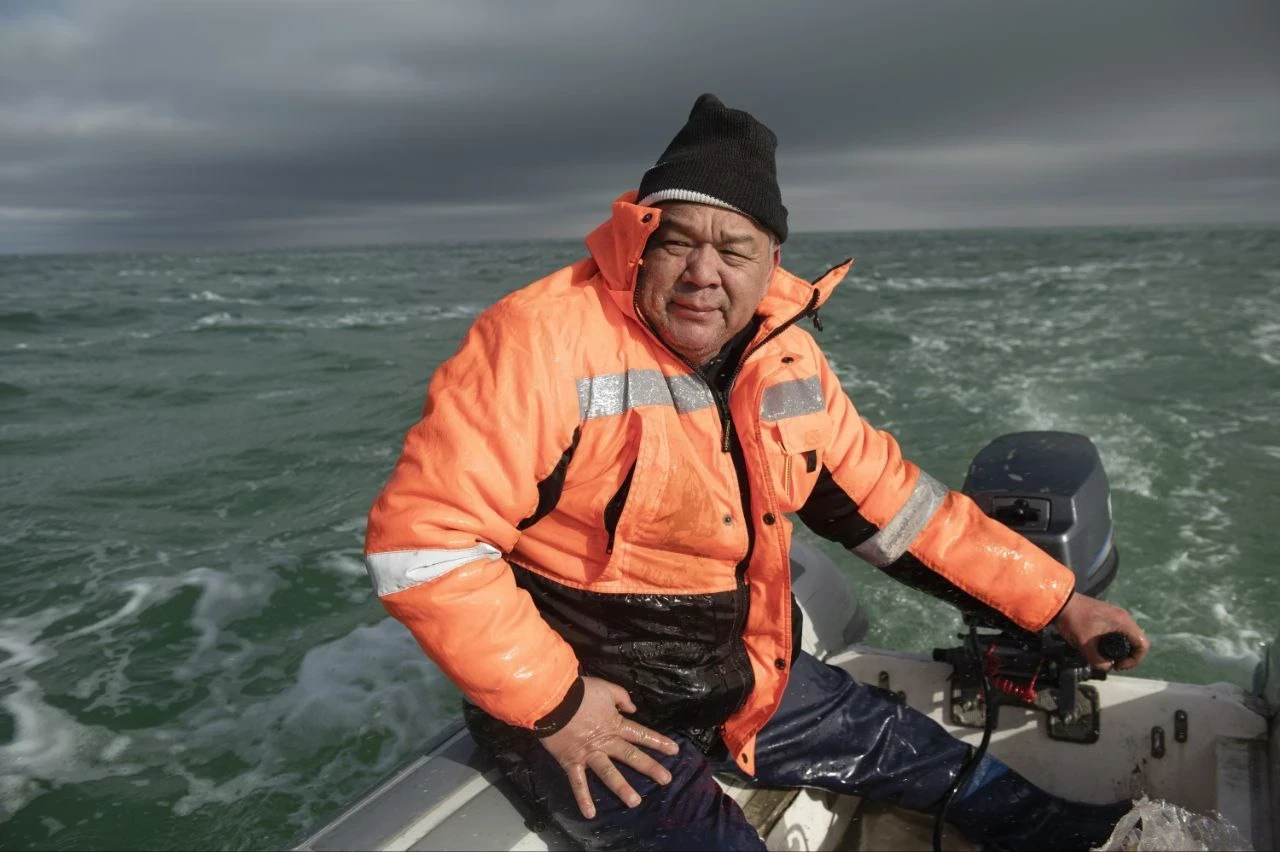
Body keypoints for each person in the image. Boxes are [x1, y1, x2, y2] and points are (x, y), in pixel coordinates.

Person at [363, 93, 1150, 851]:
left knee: (956, 773)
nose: (703, 272)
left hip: (740, 678)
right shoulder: (537, 339)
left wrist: (1057, 603)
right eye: (678, 242)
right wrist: (559, 706)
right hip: (596, 703)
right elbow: (424, 543)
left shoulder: (787, 359)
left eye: (734, 249)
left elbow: (895, 507)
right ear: (637, 242)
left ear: (770, 263)